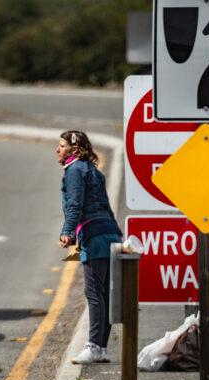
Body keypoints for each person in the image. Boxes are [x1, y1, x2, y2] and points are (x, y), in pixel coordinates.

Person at [56, 130, 122, 364]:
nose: (57, 150)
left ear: (73, 150)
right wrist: (118, 236)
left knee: (94, 293)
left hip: (93, 236)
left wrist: (67, 232)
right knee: (104, 294)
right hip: (110, 233)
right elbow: (105, 206)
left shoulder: (74, 171)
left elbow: (75, 205)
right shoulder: (94, 171)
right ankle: (101, 348)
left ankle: (94, 346)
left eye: (62, 146)